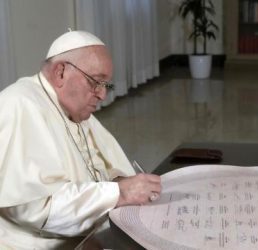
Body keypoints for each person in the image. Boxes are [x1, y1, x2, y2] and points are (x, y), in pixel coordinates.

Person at [0, 30, 162, 249]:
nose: (103, 95)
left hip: (86, 235)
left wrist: (119, 183)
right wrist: (120, 193)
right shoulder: (20, 105)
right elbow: (36, 209)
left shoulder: (73, 107)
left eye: (107, 85)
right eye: (96, 82)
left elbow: (99, 169)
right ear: (60, 73)